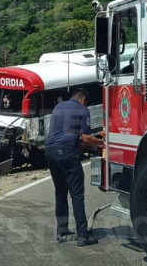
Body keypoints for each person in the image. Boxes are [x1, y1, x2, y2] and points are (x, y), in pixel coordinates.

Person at [44, 87, 104, 246]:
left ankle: (62, 231)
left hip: (50, 152)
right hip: (67, 153)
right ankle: (83, 236)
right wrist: (100, 142)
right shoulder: (83, 109)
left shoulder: (58, 107)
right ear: (83, 100)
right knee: (77, 195)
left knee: (60, 192)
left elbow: (67, 135)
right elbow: (85, 138)